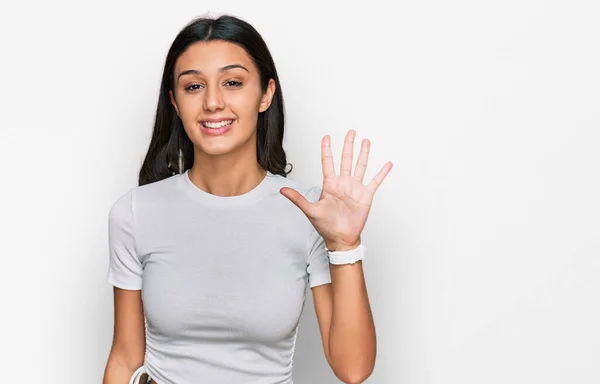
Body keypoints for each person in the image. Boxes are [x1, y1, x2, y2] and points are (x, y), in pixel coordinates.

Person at [103, 14, 392, 384]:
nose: (212, 102)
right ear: (175, 102)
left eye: (233, 82)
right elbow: (125, 359)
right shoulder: (134, 212)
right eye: (193, 87)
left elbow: (353, 369)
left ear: (266, 94)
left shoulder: (311, 212)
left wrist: (344, 245)